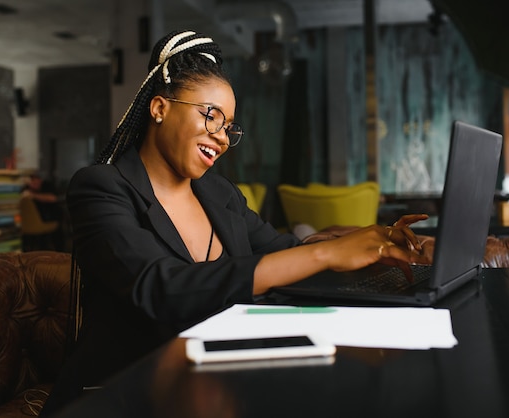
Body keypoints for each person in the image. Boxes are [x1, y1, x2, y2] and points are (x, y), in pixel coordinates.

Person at [40, 30, 428, 416]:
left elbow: (282, 255)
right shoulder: (101, 188)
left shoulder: (220, 195)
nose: (222, 138)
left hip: (214, 385)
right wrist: (326, 252)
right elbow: (160, 288)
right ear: (159, 108)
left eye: (228, 127)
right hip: (125, 394)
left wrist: (372, 245)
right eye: (211, 116)